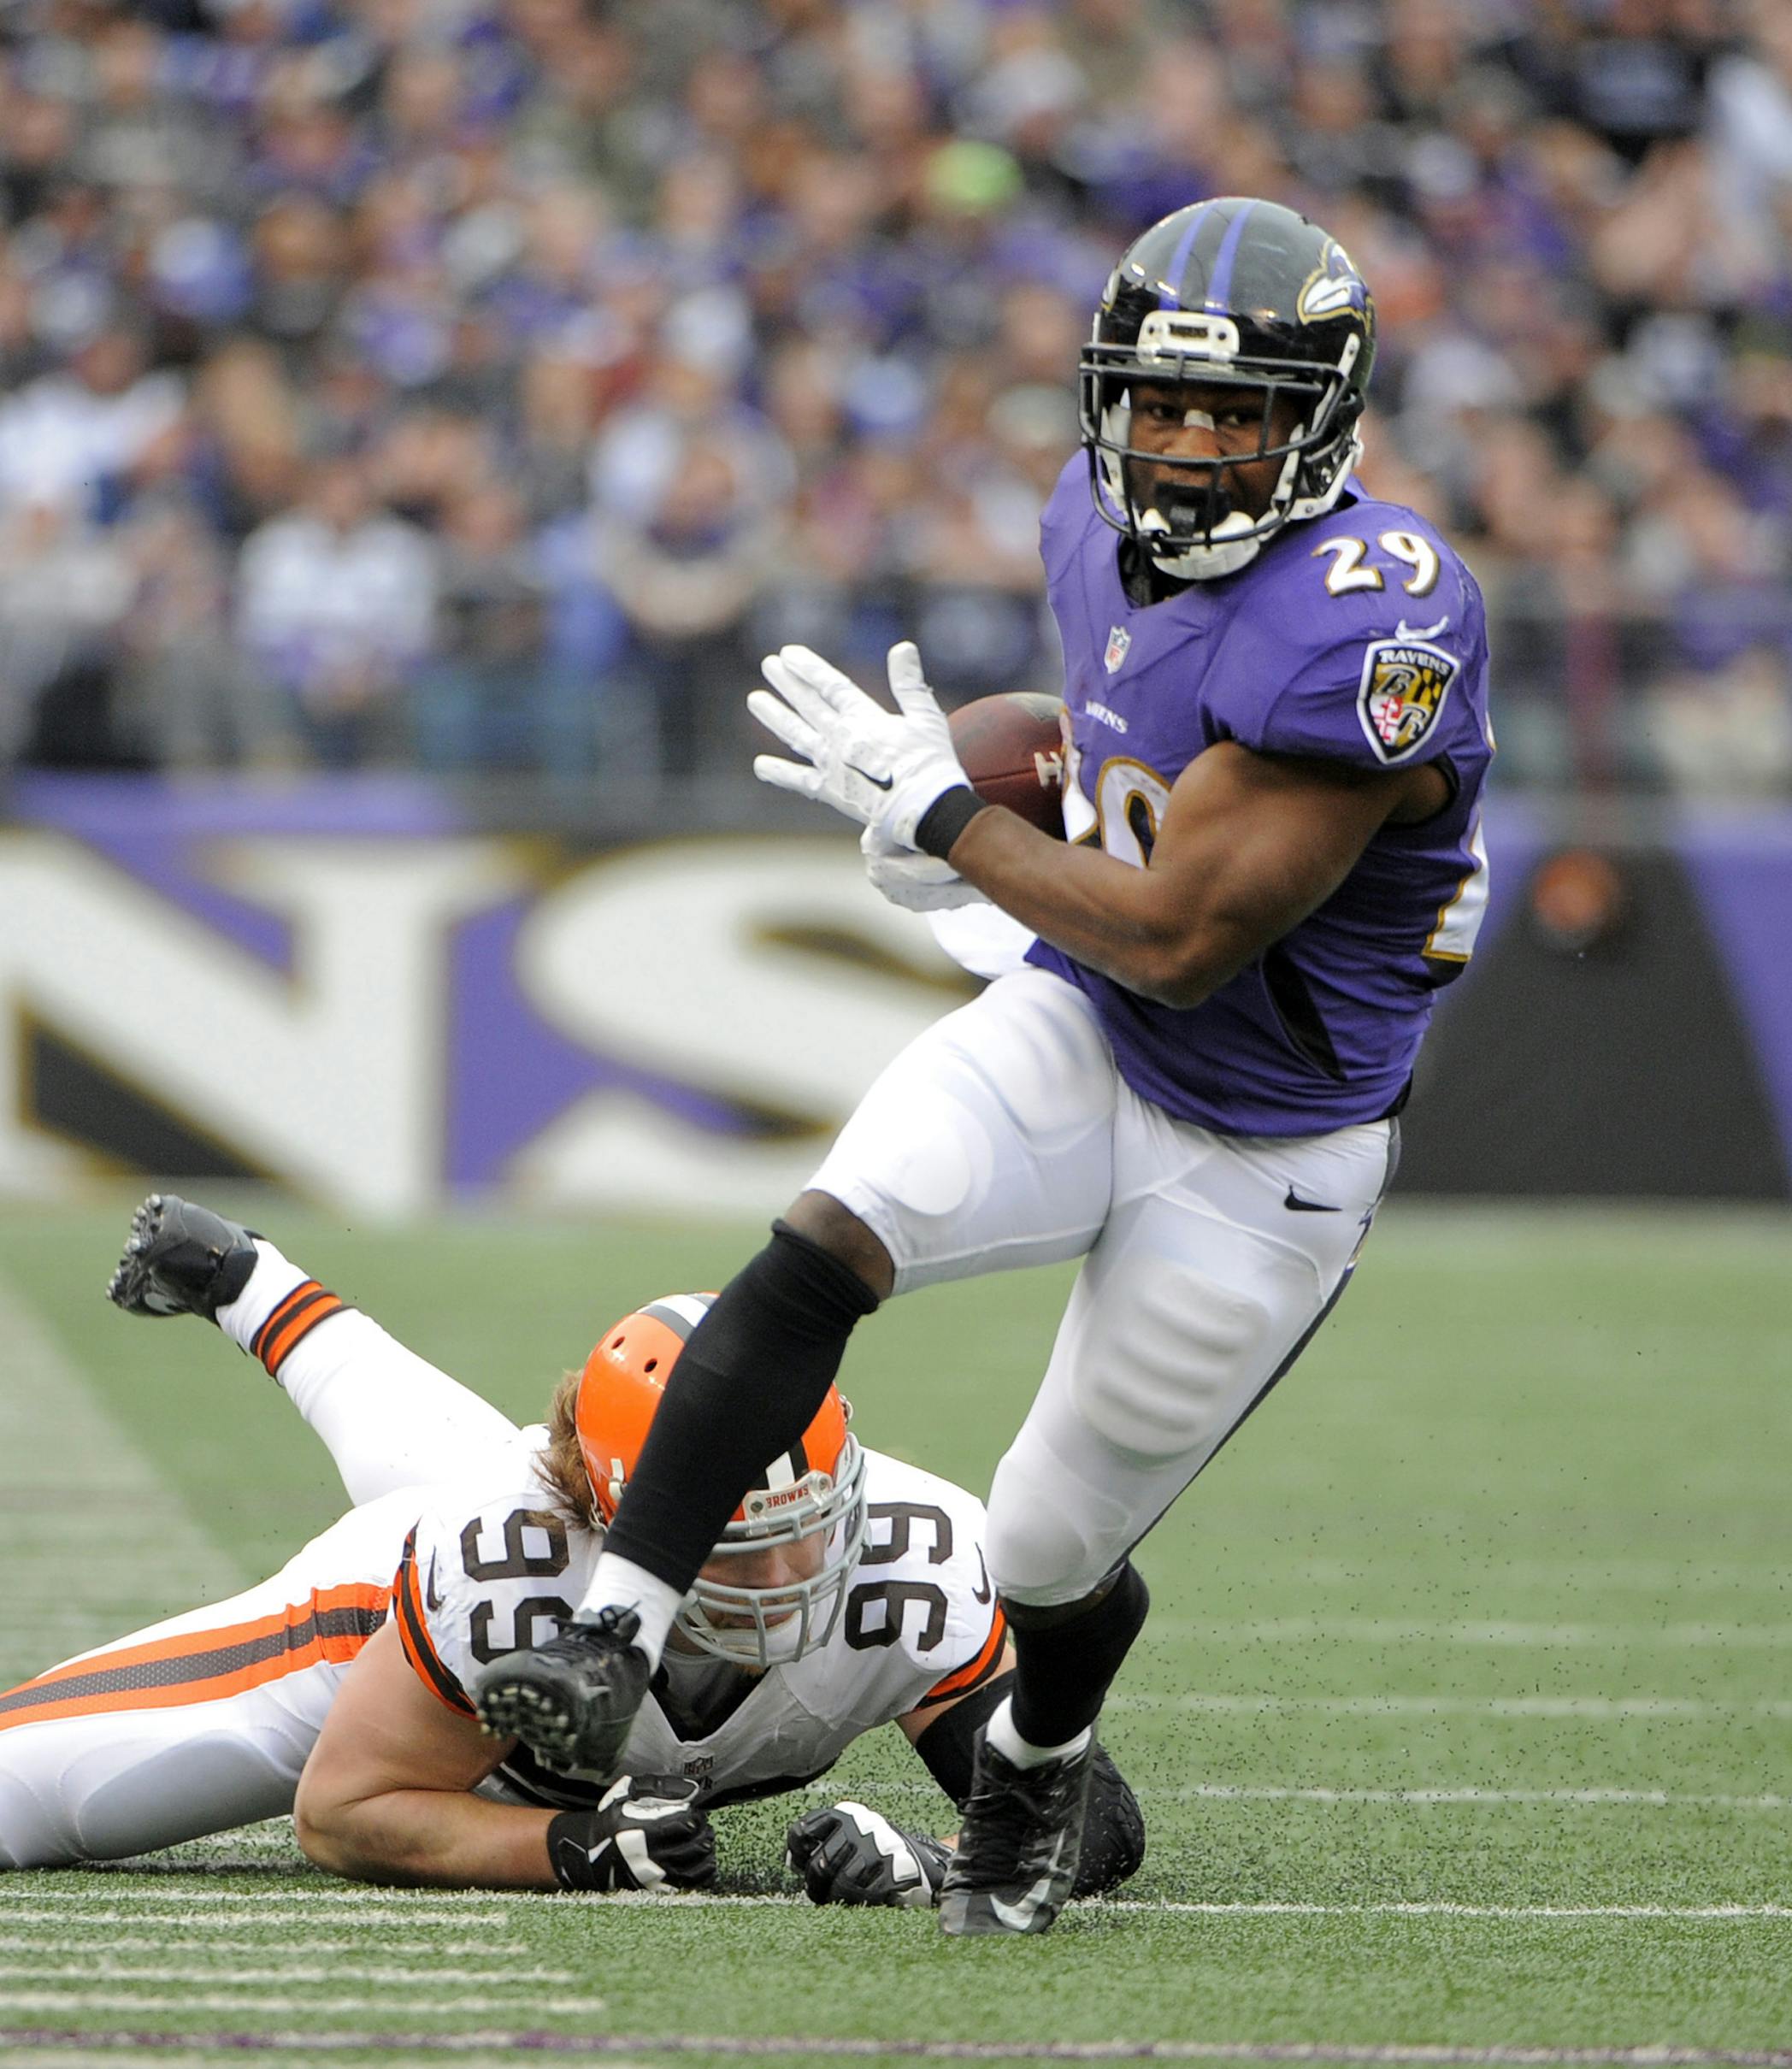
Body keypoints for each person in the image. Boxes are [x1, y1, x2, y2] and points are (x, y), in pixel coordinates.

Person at [476, 196, 1494, 1936]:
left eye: (1231, 411)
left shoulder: (1376, 626)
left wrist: (947, 811)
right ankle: (611, 1630)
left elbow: (1184, 927)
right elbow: (1122, 745)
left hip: (1266, 1143)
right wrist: (982, 821)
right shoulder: (1084, 530)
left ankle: (1041, 1753)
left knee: (1040, 1554)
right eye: (1157, 405)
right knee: (831, 1230)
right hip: (1086, 1024)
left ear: (1319, 422)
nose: (1181, 447)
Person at [0, 1196, 1142, 1903]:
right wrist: (569, 1848)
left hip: (539, 1514)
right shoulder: (508, 1561)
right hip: (372, 1632)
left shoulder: (913, 1556)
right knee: (43, 1804)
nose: (791, 1582)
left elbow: (1095, 1819)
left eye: (809, 1535)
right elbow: (345, 1812)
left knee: (465, 1463)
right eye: (736, 1547)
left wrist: (949, 1855)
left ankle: (251, 1281)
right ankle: (257, 1286)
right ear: (624, 1517)